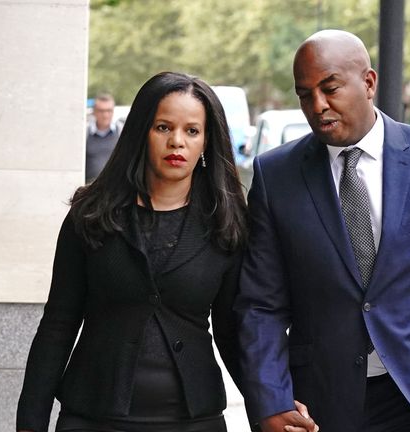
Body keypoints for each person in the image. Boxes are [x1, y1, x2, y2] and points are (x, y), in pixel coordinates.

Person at [235, 30, 410, 432]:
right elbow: (260, 306)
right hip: (321, 404)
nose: (318, 105)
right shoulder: (275, 175)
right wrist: (269, 401)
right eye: (304, 94)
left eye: (330, 88)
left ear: (368, 83)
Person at [17, 72, 249, 432]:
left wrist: (273, 407)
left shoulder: (224, 223)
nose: (177, 142)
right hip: (93, 418)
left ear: (206, 142)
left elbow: (233, 333)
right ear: (142, 131)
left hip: (193, 421)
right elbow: (58, 325)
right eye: (163, 127)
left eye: (192, 131)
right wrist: (31, 422)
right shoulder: (91, 216)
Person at [86, 92, 122, 182]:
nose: (105, 115)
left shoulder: (121, 132)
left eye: (109, 111)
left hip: (116, 189)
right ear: (94, 112)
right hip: (90, 189)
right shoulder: (85, 133)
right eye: (101, 111)